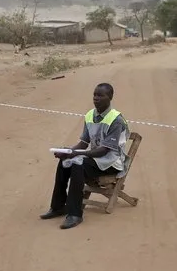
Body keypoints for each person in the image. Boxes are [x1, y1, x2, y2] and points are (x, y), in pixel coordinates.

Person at [41, 83, 130, 229]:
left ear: (110, 97)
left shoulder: (116, 120)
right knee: (66, 161)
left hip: (111, 163)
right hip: (96, 159)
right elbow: (83, 143)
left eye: (101, 95)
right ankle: (58, 206)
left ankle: (75, 214)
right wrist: (68, 152)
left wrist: (76, 154)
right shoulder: (90, 115)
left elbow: (104, 151)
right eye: (95, 94)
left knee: (78, 163)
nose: (96, 98)